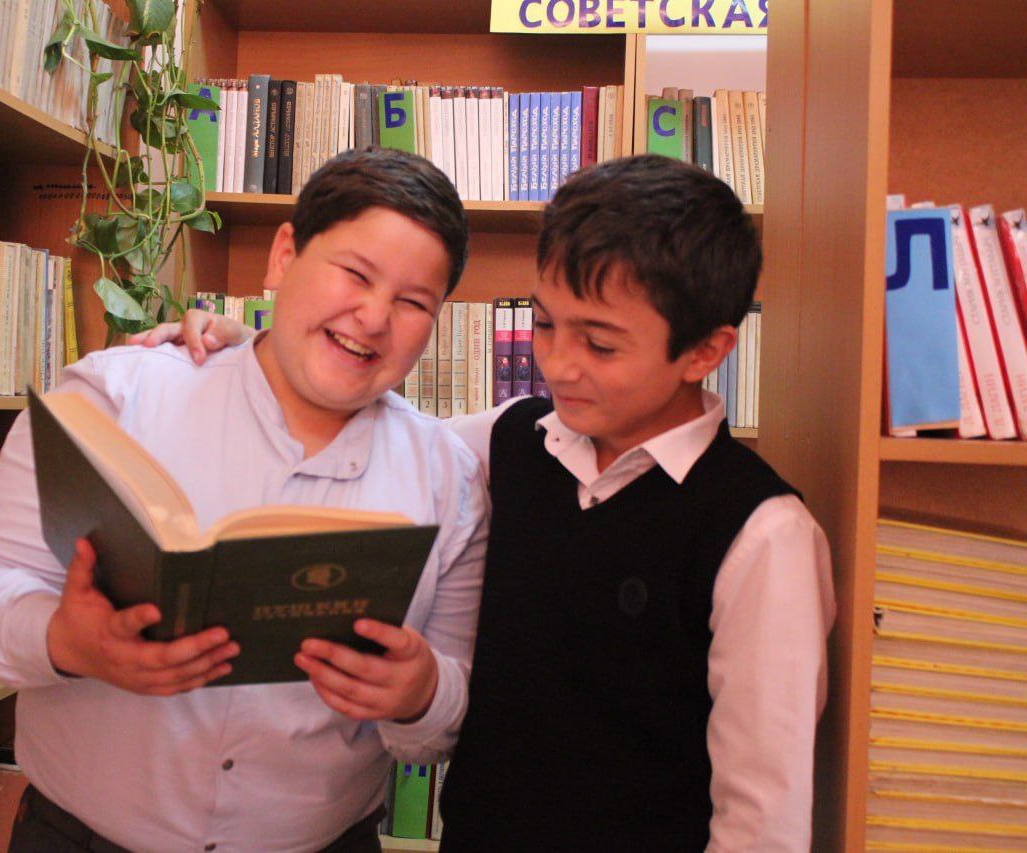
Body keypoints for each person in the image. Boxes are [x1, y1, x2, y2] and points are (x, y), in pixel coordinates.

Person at [136, 155, 836, 849]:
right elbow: (383, 437)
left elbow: (761, 821)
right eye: (546, 324)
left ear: (706, 352)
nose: (558, 364)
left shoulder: (764, 535)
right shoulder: (512, 443)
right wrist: (257, 354)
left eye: (600, 344)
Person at [0, 147, 489, 853]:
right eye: (355, 273)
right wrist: (68, 642)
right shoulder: (115, 396)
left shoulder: (450, 477)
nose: (374, 317)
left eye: (414, 303)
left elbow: (450, 714)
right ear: (284, 255)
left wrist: (422, 694)